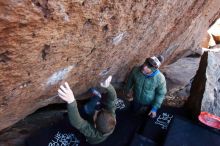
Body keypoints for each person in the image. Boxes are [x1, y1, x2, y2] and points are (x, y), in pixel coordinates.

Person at [58, 76, 117, 144]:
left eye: (96, 114)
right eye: (100, 111)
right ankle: (96, 100)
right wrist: (108, 86)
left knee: (70, 120)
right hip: (96, 121)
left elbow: (77, 123)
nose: (96, 111)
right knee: (88, 109)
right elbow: (113, 99)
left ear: (94, 125)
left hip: (88, 140)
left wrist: (71, 102)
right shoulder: (112, 115)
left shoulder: (93, 133)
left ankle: (96, 100)